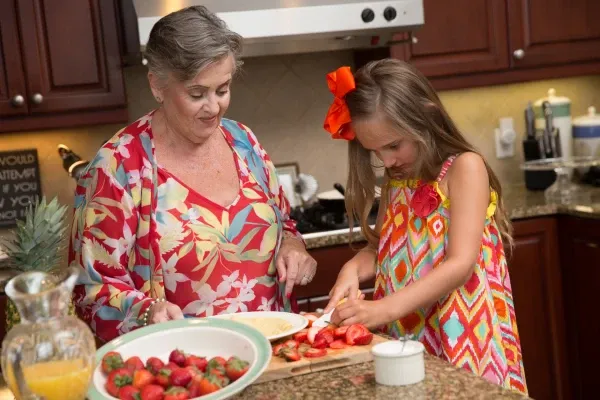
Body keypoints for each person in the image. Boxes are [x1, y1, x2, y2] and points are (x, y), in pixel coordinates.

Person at [68, 5, 316, 343]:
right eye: (197, 94)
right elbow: (89, 289)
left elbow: (285, 224)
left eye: (223, 89)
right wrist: (145, 309)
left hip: (274, 352)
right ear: (157, 85)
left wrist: (293, 247)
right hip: (183, 368)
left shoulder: (244, 142)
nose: (213, 107)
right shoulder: (118, 167)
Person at [322, 60, 527, 394]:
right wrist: (351, 270)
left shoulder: (464, 168)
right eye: (375, 151)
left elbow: (460, 264)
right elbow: (382, 249)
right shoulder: (397, 179)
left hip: (464, 334)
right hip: (409, 336)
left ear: (426, 117)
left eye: (393, 145)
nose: (386, 161)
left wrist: (384, 308)